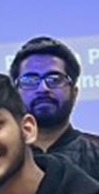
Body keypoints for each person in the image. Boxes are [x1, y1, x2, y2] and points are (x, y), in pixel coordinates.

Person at [9, 35, 99, 179]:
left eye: (54, 79)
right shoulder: (1, 157)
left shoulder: (95, 152)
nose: (43, 88)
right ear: (15, 93)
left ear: (74, 92)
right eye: (30, 80)